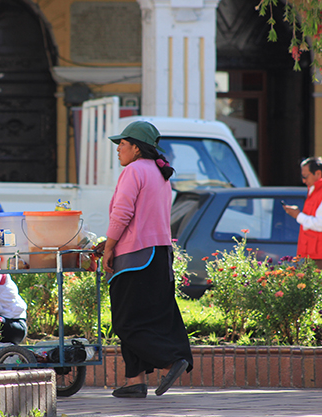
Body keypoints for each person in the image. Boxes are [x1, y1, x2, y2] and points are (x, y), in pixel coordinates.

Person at [95, 121, 193, 398]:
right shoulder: (160, 173)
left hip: (135, 256)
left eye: (122, 144)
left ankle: (170, 361)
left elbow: (122, 214)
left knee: (127, 322)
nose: (118, 150)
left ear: (137, 148)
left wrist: (109, 247)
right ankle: (134, 381)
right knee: (144, 318)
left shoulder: (134, 171)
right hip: (159, 254)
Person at [283, 157, 322, 271]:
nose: (304, 181)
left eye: (305, 176)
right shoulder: (317, 190)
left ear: (318, 173)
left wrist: (298, 216)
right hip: (315, 254)